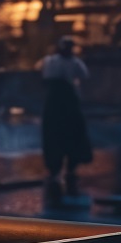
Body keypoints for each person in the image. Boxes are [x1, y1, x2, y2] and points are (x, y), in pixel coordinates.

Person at [37, 36, 93, 197]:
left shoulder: (67, 62)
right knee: (65, 134)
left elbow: (83, 75)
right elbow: (84, 76)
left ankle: (64, 168)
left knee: (62, 134)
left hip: (59, 103)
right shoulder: (67, 62)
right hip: (62, 103)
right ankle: (61, 168)